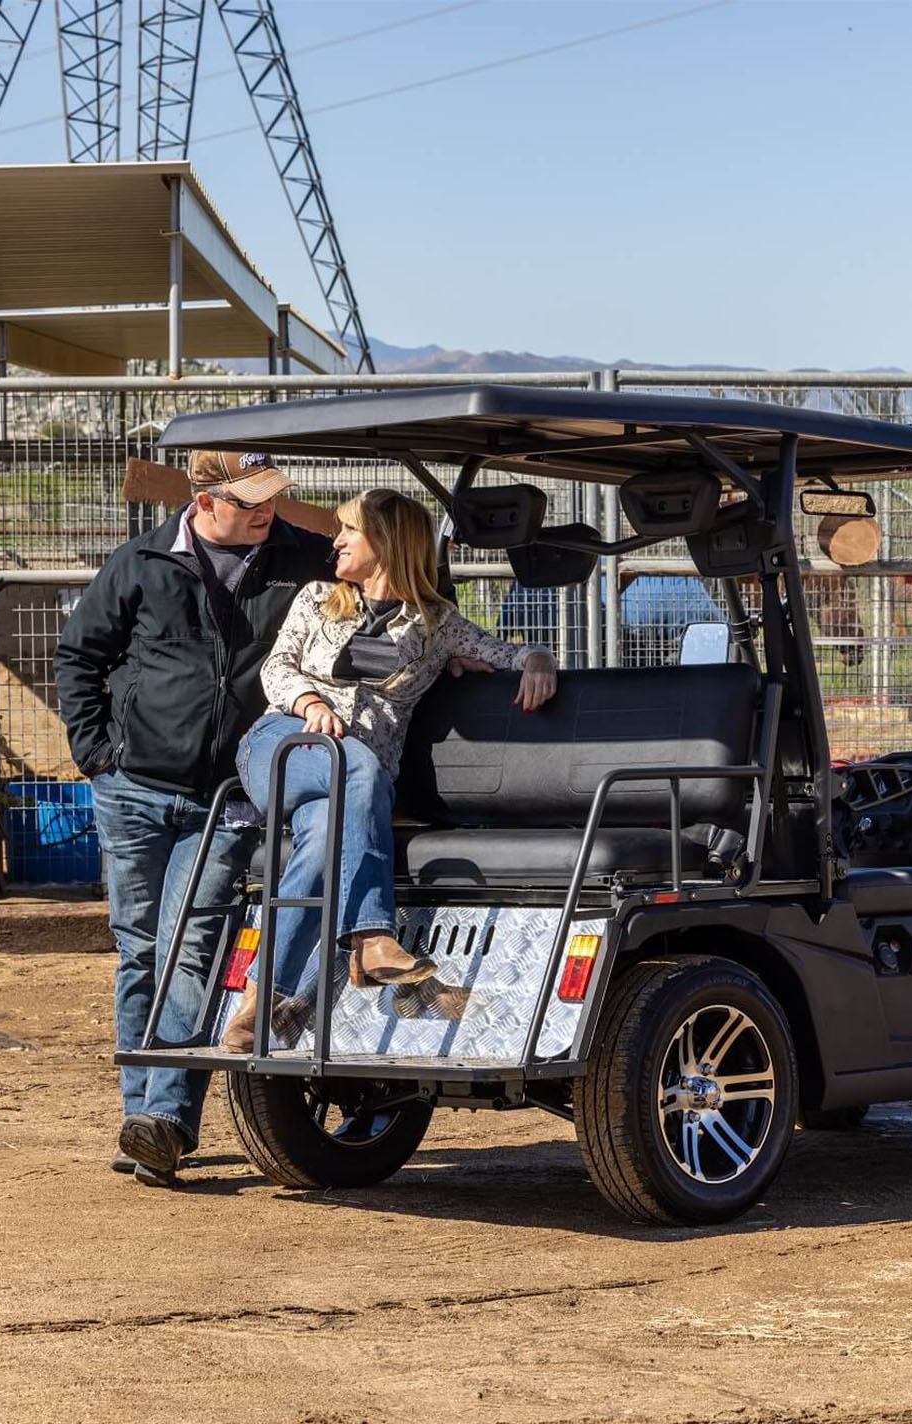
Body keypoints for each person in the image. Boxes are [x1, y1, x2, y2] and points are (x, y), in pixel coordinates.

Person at [55, 450, 335, 1187]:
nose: (265, 510)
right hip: (134, 791)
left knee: (195, 944)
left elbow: (388, 598)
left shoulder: (306, 560)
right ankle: (139, 1115)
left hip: (230, 797)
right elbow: (80, 656)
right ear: (205, 501)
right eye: (248, 500)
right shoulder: (142, 561)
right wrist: (98, 756)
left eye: (271, 496)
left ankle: (168, 1119)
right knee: (140, 948)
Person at [222, 487, 558, 1050]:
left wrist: (540, 660)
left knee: (326, 835)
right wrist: (312, 703)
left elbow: (508, 653)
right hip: (285, 743)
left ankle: (267, 1001)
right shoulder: (317, 598)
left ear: (385, 542)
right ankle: (373, 938)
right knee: (357, 764)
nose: (336, 541)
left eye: (349, 531)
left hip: (358, 779)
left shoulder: (435, 624)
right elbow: (276, 669)